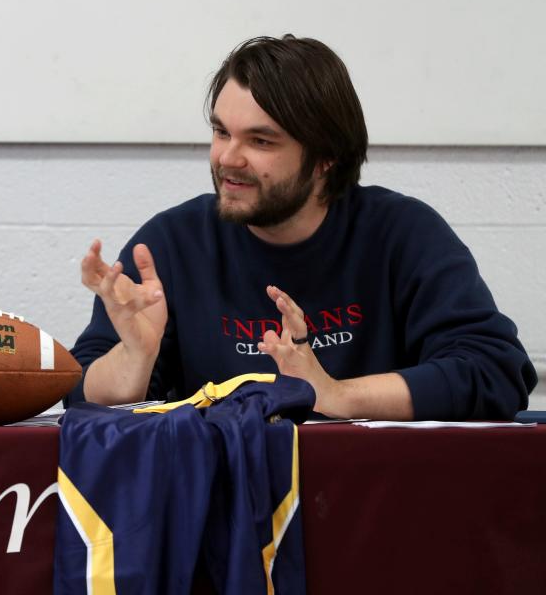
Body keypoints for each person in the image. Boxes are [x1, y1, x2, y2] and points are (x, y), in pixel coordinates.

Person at [70, 35, 536, 421]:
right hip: (224, 511)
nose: (228, 159)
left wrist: (334, 394)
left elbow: (494, 372)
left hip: (372, 502)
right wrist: (134, 358)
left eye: (260, 140)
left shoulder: (401, 234)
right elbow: (81, 396)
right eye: (221, 132)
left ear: (325, 159)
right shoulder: (170, 247)